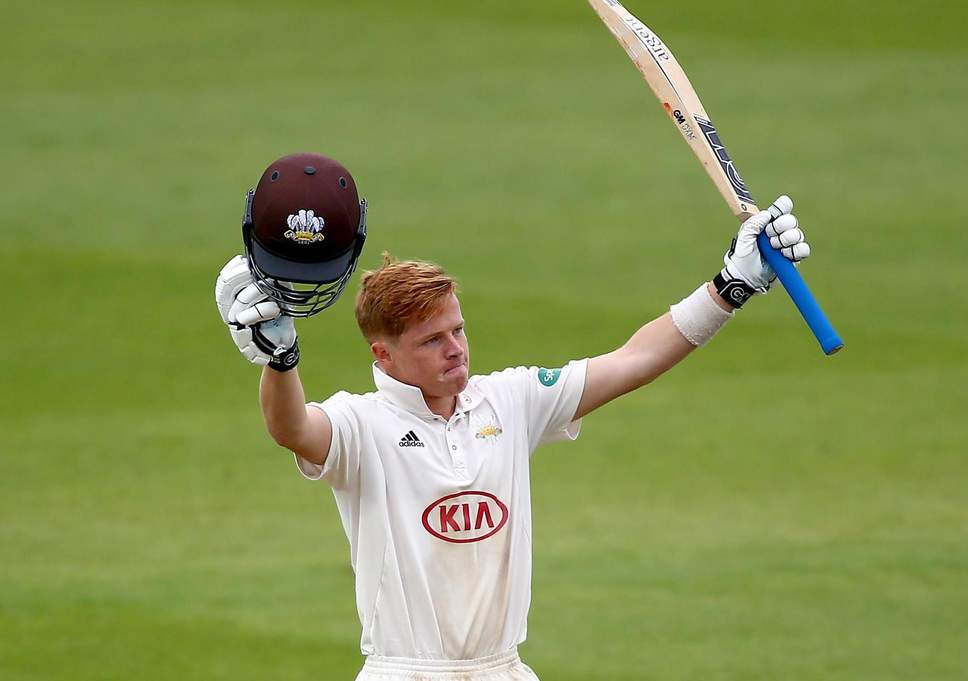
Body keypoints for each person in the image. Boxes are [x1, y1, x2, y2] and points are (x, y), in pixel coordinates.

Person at [215, 153, 810, 681]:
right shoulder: (360, 425)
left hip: (503, 669)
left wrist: (729, 287)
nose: (456, 349)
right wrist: (281, 361)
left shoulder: (510, 400)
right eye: (432, 341)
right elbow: (292, 428)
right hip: (405, 671)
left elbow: (634, 360)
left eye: (458, 330)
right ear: (384, 354)